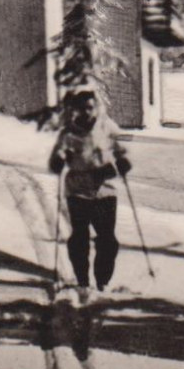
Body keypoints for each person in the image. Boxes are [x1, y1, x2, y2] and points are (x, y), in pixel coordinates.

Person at [48, 95, 131, 301]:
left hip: (105, 190)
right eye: (81, 108)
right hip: (78, 191)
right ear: (75, 110)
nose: (86, 112)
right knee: (79, 238)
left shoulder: (108, 128)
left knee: (107, 240)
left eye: (90, 108)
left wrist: (122, 163)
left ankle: (102, 280)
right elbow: (56, 158)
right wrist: (58, 162)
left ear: (96, 108)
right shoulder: (68, 134)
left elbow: (122, 152)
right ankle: (82, 280)